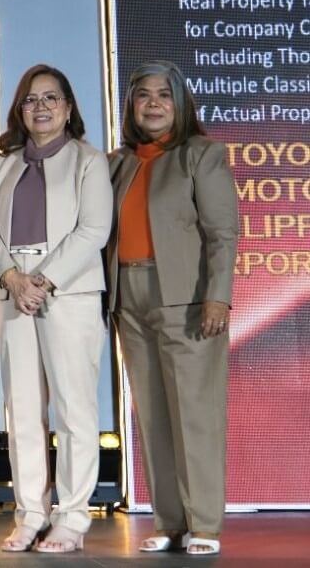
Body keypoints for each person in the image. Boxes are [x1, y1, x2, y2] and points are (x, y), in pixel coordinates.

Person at [0, 64, 112, 553]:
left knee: (74, 408)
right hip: (13, 292)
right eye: (32, 99)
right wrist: (12, 278)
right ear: (20, 109)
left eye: (51, 98)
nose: (41, 107)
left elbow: (93, 231)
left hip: (67, 291)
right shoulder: (3, 163)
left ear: (68, 107)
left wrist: (44, 280)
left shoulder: (88, 161)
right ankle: (31, 512)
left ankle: (72, 517)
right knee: (25, 410)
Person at [106, 60, 237, 557]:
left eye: (164, 95)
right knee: (153, 416)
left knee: (195, 414)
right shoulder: (119, 163)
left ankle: (203, 522)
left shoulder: (201, 155)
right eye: (143, 95)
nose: (154, 104)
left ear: (180, 103)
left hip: (186, 297)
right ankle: (169, 521)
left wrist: (218, 295)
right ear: (132, 106)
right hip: (129, 297)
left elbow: (221, 233)